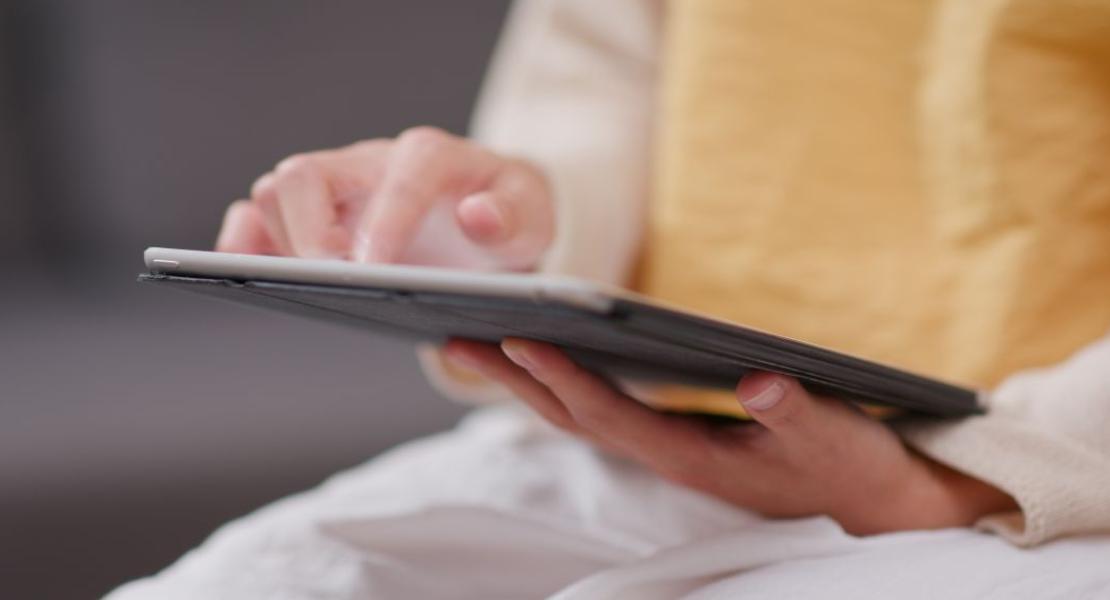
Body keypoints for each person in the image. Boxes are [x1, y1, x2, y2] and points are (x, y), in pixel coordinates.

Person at [108, 1, 1110, 598]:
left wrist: (959, 482)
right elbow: (601, 74)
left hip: (1057, 484)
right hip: (660, 434)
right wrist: (502, 227)